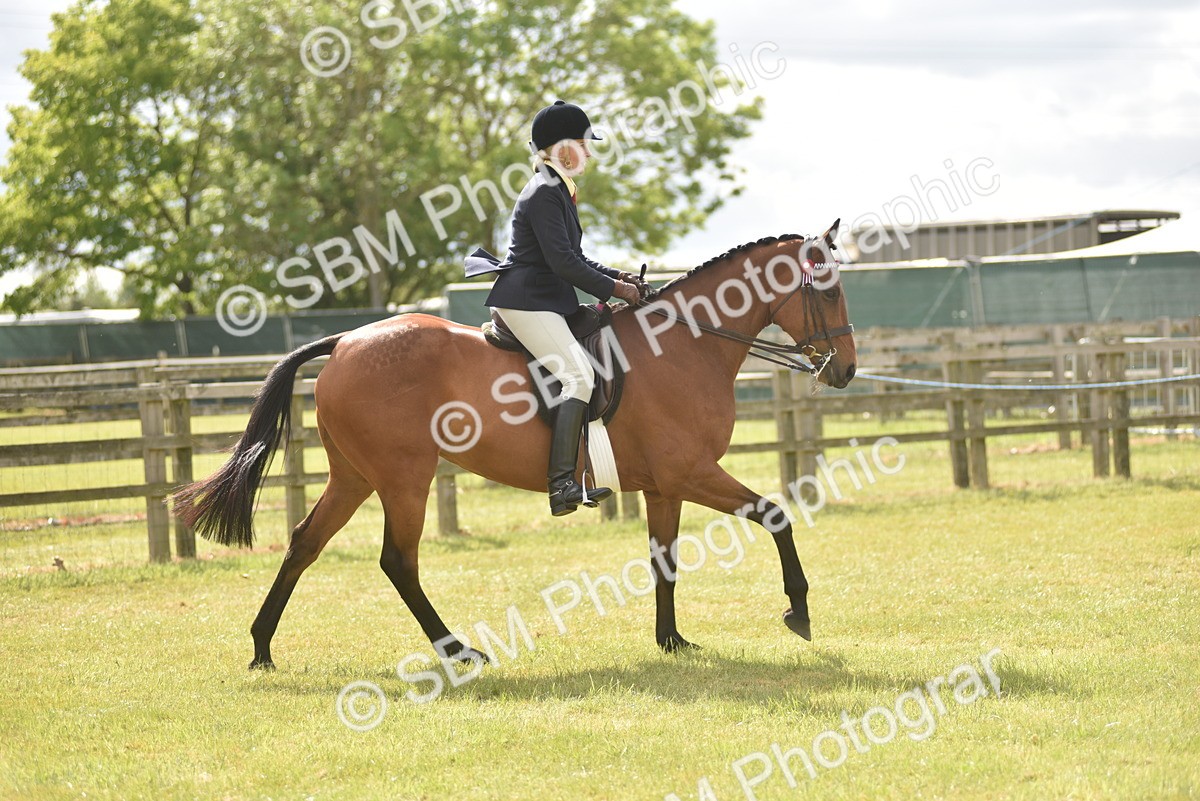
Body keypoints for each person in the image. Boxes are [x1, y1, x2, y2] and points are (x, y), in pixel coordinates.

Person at [465, 100, 645, 516]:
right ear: (563, 149)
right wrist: (616, 289)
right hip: (527, 301)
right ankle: (562, 483)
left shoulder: (557, 187)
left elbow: (574, 257)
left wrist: (622, 280)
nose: (589, 152)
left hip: (543, 297)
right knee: (579, 376)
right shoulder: (546, 191)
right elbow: (564, 264)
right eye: (583, 144)